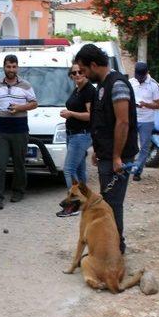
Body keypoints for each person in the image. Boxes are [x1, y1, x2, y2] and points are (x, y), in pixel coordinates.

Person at [74, 44, 139, 254]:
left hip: (117, 157)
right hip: (107, 155)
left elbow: (122, 122)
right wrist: (98, 151)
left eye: (83, 70)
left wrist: (117, 156)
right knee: (107, 203)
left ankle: (116, 249)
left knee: (112, 205)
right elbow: (102, 122)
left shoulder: (117, 84)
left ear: (93, 65)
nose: (82, 74)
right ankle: (108, 247)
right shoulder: (102, 86)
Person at [0, 54, 38, 210]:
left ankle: (18, 191)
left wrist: (19, 107)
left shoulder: (26, 85)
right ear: (4, 67)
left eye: (14, 66)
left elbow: (34, 103)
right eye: (8, 66)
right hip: (1, 129)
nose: (11, 69)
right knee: (0, 165)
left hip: (19, 129)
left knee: (19, 164)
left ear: (17, 67)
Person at [56, 62, 96, 217]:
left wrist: (71, 114)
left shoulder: (88, 91)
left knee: (68, 169)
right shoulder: (78, 90)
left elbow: (90, 115)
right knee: (79, 170)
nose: (77, 75)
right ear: (71, 76)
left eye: (80, 72)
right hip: (72, 134)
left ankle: (72, 206)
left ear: (85, 73)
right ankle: (85, 203)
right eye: (74, 73)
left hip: (81, 134)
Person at [129, 62, 159, 181]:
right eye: (138, 76)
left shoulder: (153, 85)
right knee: (129, 145)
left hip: (147, 120)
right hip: (133, 117)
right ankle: (127, 168)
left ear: (147, 73)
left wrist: (146, 104)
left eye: (141, 77)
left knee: (144, 147)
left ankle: (137, 171)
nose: (139, 79)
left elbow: (158, 104)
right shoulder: (131, 82)